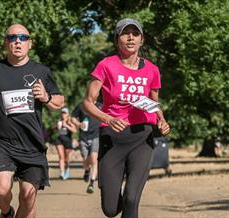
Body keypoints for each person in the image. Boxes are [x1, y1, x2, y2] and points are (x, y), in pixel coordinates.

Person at [0, 24, 64, 218]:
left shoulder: (41, 71)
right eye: (12, 37)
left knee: (28, 197)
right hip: (2, 142)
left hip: (32, 144)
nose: (18, 41)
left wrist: (46, 97)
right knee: (0, 188)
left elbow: (59, 100)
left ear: (29, 44)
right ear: (5, 43)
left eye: (23, 38)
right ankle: (7, 212)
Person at [82, 18, 170, 218]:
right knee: (111, 209)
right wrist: (108, 118)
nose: (130, 37)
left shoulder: (152, 70)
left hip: (142, 137)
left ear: (141, 40)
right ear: (117, 39)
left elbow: (154, 103)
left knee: (132, 198)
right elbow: (87, 102)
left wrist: (161, 120)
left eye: (135, 34)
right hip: (112, 137)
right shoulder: (106, 65)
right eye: (125, 33)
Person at [71, 101, 102, 194]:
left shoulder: (101, 106)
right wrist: (78, 124)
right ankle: (87, 170)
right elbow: (72, 118)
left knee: (94, 159)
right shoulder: (81, 105)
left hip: (96, 136)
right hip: (83, 137)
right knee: (85, 160)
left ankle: (91, 183)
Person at [55, 107, 77, 180]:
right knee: (61, 157)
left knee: (66, 159)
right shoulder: (59, 121)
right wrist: (56, 127)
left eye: (65, 113)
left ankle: (67, 169)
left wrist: (67, 125)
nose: (63, 114)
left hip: (67, 139)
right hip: (59, 139)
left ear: (68, 114)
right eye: (62, 113)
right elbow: (55, 130)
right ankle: (61, 173)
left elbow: (74, 130)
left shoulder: (70, 121)